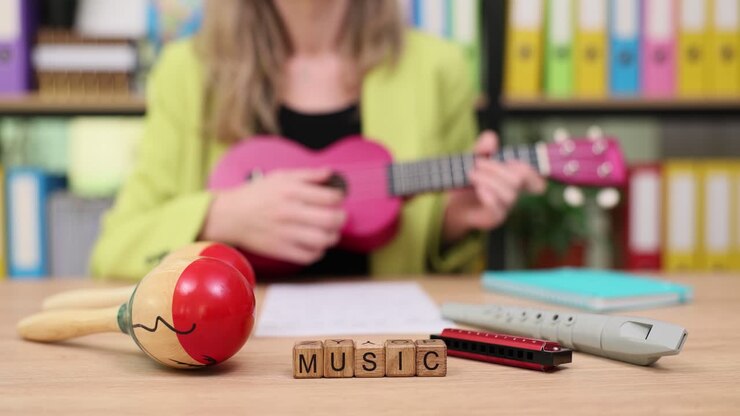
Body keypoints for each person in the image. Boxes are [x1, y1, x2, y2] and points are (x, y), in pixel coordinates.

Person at [90, 0, 545, 280]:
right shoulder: (186, 72)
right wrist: (218, 216)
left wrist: (453, 221)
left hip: (387, 351)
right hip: (232, 361)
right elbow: (114, 251)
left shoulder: (438, 68)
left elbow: (446, 268)